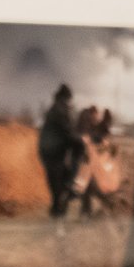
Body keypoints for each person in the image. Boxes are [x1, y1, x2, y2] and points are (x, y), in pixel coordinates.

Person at [37, 83, 78, 219]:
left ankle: (56, 207)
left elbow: (66, 131)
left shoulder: (55, 107)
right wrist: (79, 142)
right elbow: (67, 131)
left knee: (56, 179)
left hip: (47, 150)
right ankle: (59, 206)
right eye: (69, 98)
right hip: (53, 151)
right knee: (61, 178)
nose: (69, 101)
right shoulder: (60, 110)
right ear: (66, 97)